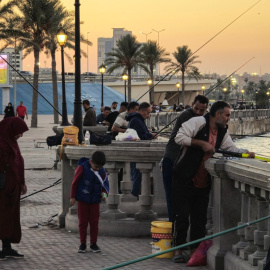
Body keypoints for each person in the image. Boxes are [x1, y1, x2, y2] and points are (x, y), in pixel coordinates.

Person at [171, 101, 255, 263]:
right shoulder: (197, 122)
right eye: (227, 115)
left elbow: (230, 148)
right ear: (217, 114)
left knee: (199, 218)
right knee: (181, 216)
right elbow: (179, 137)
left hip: (203, 180)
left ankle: (195, 250)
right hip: (184, 177)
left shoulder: (222, 131)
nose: (228, 119)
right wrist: (202, 143)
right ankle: (178, 250)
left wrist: (245, 153)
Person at [162, 95, 209, 222]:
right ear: (192, 104)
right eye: (196, 108)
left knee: (179, 199)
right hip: (172, 160)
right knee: (173, 198)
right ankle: (173, 228)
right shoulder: (186, 116)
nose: (198, 112)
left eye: (202, 110)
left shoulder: (200, 118)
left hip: (181, 163)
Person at [0, 117, 29, 260]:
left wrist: (22, 183)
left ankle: (6, 247)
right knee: (2, 218)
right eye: (19, 132)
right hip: (3, 190)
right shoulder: (1, 143)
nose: (20, 135)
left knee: (10, 219)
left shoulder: (12, 142)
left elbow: (19, 162)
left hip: (12, 189)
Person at [70, 151, 109, 253]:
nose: (97, 169)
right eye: (96, 166)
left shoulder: (102, 171)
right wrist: (72, 197)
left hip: (95, 201)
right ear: (91, 162)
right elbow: (75, 182)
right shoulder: (82, 168)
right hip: (83, 200)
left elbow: (105, 185)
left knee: (94, 223)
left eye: (99, 167)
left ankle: (93, 243)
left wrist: (104, 194)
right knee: (82, 223)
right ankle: (82, 244)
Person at [126, 102, 158, 196]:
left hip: (136, 152)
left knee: (136, 176)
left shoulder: (137, 119)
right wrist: (151, 135)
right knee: (137, 176)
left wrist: (149, 133)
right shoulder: (136, 120)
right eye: (147, 113)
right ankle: (134, 196)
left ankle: (134, 195)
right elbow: (139, 136)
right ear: (142, 111)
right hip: (136, 153)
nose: (148, 115)